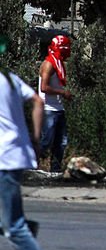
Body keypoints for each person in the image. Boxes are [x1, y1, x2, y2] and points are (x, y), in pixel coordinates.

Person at [0, 34, 61, 250]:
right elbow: (37, 101)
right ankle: (27, 229)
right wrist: (35, 139)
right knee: (11, 219)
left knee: (12, 226)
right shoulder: (10, 79)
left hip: (3, 158)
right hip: (17, 155)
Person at [37, 35, 72, 173]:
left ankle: (55, 171)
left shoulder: (58, 63)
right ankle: (30, 166)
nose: (69, 50)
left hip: (58, 109)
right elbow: (44, 87)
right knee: (46, 142)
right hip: (48, 109)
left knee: (61, 143)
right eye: (67, 47)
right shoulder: (49, 64)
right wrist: (63, 93)